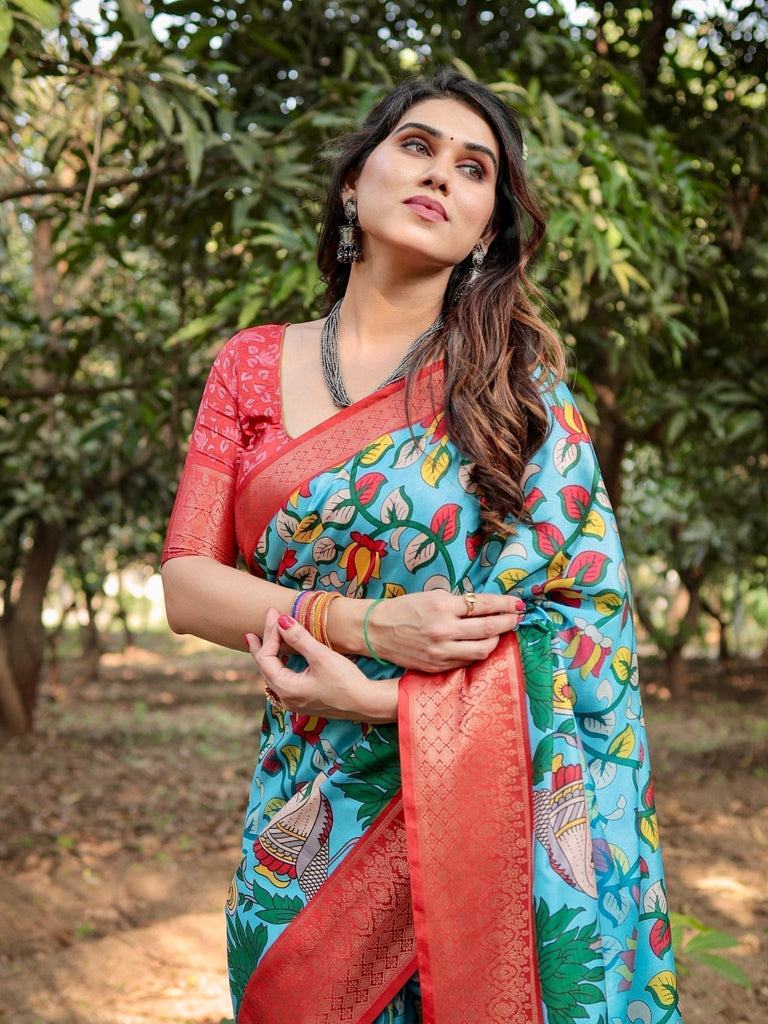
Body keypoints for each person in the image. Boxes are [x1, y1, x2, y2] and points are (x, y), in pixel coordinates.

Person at [161, 70, 680, 1024]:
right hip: (306, 806)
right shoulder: (249, 363)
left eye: (474, 168)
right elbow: (188, 585)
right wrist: (365, 624)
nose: (441, 173)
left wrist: (383, 699)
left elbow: (585, 627)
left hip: (480, 815)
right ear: (353, 182)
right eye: (416, 146)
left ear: (485, 228)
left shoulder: (518, 392)